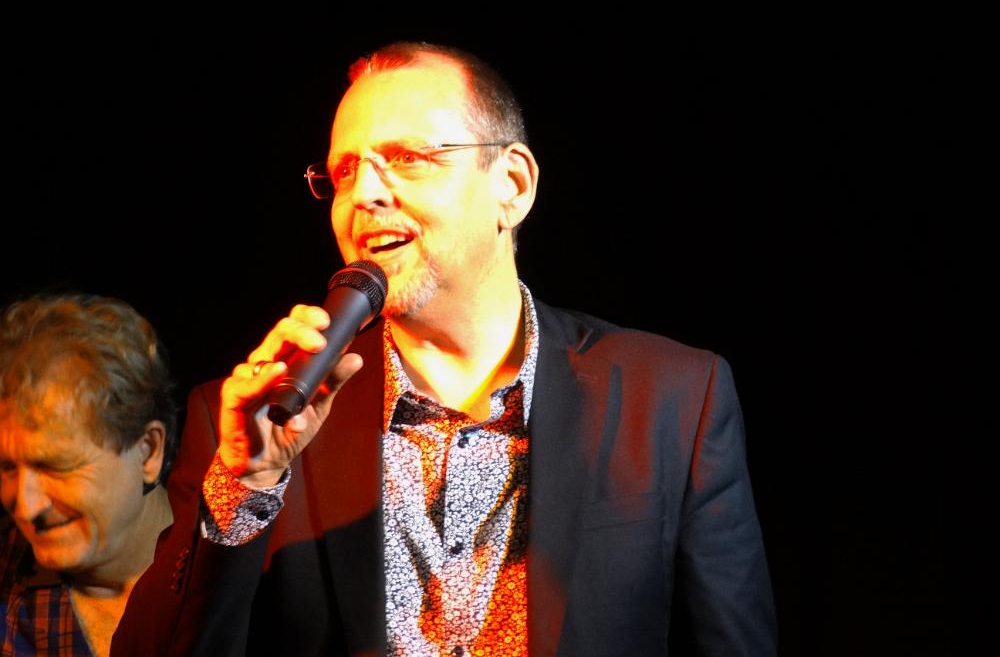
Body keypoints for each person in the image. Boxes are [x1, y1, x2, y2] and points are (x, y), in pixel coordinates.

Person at [113, 42, 776, 656]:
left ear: (511, 184)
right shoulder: (262, 418)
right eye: (344, 171)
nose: (364, 195)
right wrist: (245, 485)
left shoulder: (672, 399)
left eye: (409, 157)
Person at [0, 294, 178, 657]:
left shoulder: (236, 561)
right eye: (7, 468)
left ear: (148, 450)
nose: (26, 507)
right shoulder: (8, 585)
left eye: (56, 465)